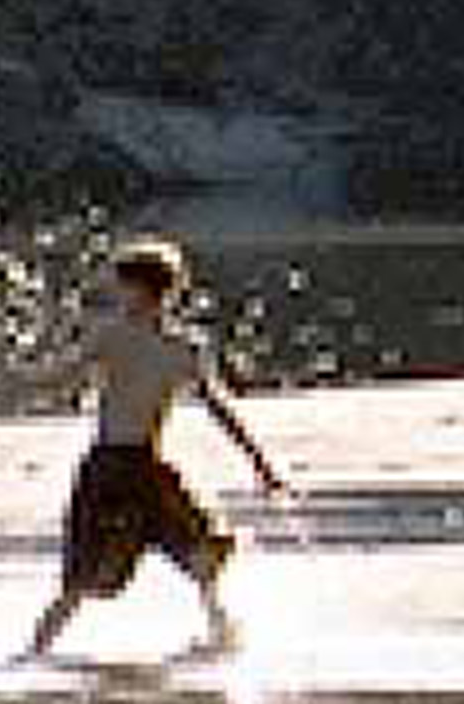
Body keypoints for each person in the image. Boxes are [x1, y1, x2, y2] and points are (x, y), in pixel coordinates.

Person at [22, 238, 288, 661]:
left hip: (144, 466)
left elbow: (218, 408)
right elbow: (62, 375)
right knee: (83, 572)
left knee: (202, 549)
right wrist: (25, 380)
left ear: (148, 290)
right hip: (108, 466)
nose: (117, 294)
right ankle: (37, 649)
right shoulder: (113, 336)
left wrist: (262, 465)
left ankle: (222, 630)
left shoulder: (180, 347)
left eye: (123, 285)